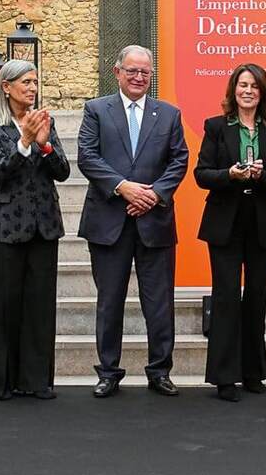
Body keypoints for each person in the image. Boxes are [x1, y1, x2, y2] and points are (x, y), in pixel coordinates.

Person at [77, 45, 189, 398]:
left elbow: (179, 160)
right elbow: (87, 157)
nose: (139, 77)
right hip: (109, 222)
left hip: (154, 222)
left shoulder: (168, 114)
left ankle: (160, 371)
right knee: (110, 302)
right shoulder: (96, 110)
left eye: (145, 72)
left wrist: (154, 195)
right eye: (132, 71)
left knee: (159, 303)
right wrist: (123, 188)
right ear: (117, 72)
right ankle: (108, 372)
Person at [194, 64, 266, 402]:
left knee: (256, 297)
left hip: (260, 221)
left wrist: (263, 176)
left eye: (254, 86)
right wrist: (230, 175)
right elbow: (202, 174)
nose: (247, 91)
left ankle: (252, 371)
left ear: (263, 92)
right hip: (225, 221)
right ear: (233, 90)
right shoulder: (216, 127)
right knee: (225, 297)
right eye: (242, 85)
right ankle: (224, 377)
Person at [0, 59, 70, 401]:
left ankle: (37, 381)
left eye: (34, 82)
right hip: (4, 226)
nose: (32, 88)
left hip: (43, 225)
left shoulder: (45, 120)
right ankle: (5, 383)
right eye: (25, 82)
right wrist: (25, 141)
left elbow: (62, 171)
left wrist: (44, 145)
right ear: (6, 87)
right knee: (5, 306)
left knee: (40, 307)